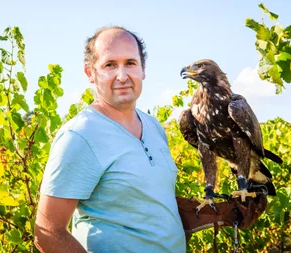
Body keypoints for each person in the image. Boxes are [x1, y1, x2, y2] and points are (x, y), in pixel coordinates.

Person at [34, 26, 186, 253]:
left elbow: (152, 207)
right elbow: (47, 233)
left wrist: (213, 212)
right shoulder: (80, 136)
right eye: (110, 65)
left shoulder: (154, 127)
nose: (122, 76)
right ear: (90, 74)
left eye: (130, 63)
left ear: (143, 69)